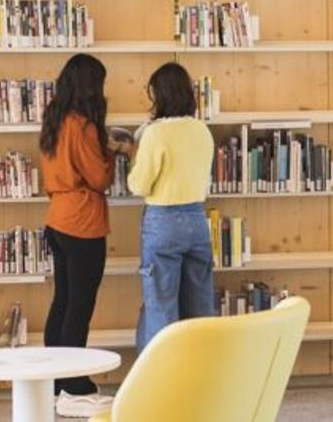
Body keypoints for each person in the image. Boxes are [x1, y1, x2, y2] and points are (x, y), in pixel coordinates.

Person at [39, 54, 118, 418]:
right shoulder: (83, 126)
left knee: (63, 301)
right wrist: (112, 152)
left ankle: (54, 379)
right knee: (80, 305)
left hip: (57, 218)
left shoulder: (54, 120)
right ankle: (73, 385)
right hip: (82, 221)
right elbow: (99, 179)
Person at [127, 62, 217, 351]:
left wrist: (132, 155)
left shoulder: (155, 134)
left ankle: (159, 382)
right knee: (199, 305)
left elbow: (139, 186)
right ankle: (199, 375)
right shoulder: (202, 130)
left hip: (163, 222)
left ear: (161, 96)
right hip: (197, 220)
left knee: (161, 306)